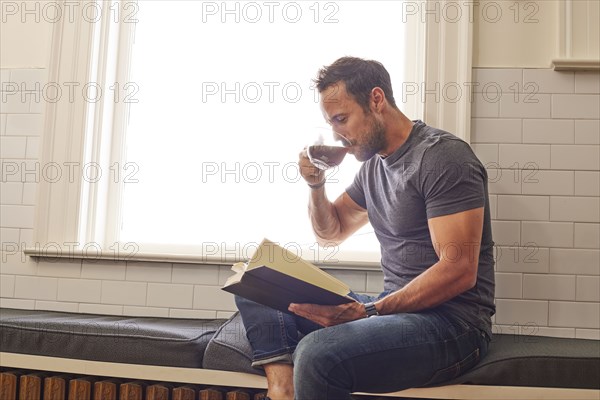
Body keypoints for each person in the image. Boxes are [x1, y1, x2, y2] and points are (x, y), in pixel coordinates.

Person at [235, 56, 495, 400]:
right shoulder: (374, 166)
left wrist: (369, 311)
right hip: (393, 310)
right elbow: (332, 232)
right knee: (257, 284)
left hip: (453, 326)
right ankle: (282, 388)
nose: (338, 134)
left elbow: (459, 270)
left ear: (376, 100)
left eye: (342, 119)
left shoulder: (442, 157)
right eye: (331, 124)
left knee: (318, 352)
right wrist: (316, 186)